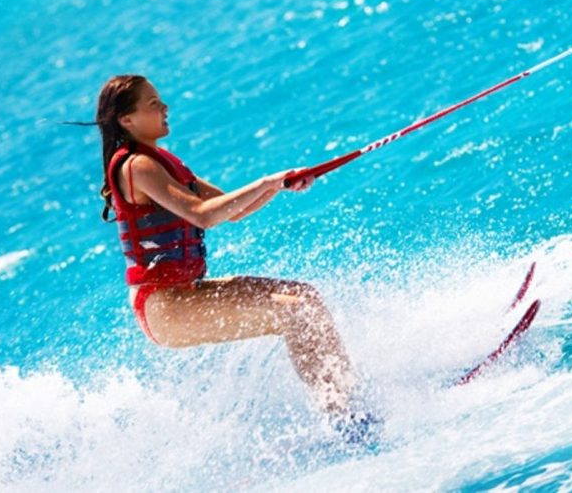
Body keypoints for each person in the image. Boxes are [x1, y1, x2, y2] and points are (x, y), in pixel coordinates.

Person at [91, 75, 378, 443]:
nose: (164, 108)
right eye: (153, 104)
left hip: (182, 295)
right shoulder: (136, 166)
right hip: (165, 308)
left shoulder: (160, 161)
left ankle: (352, 406)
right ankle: (348, 423)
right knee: (296, 312)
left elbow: (233, 210)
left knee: (305, 297)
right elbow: (204, 215)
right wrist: (264, 183)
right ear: (126, 120)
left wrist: (279, 184)